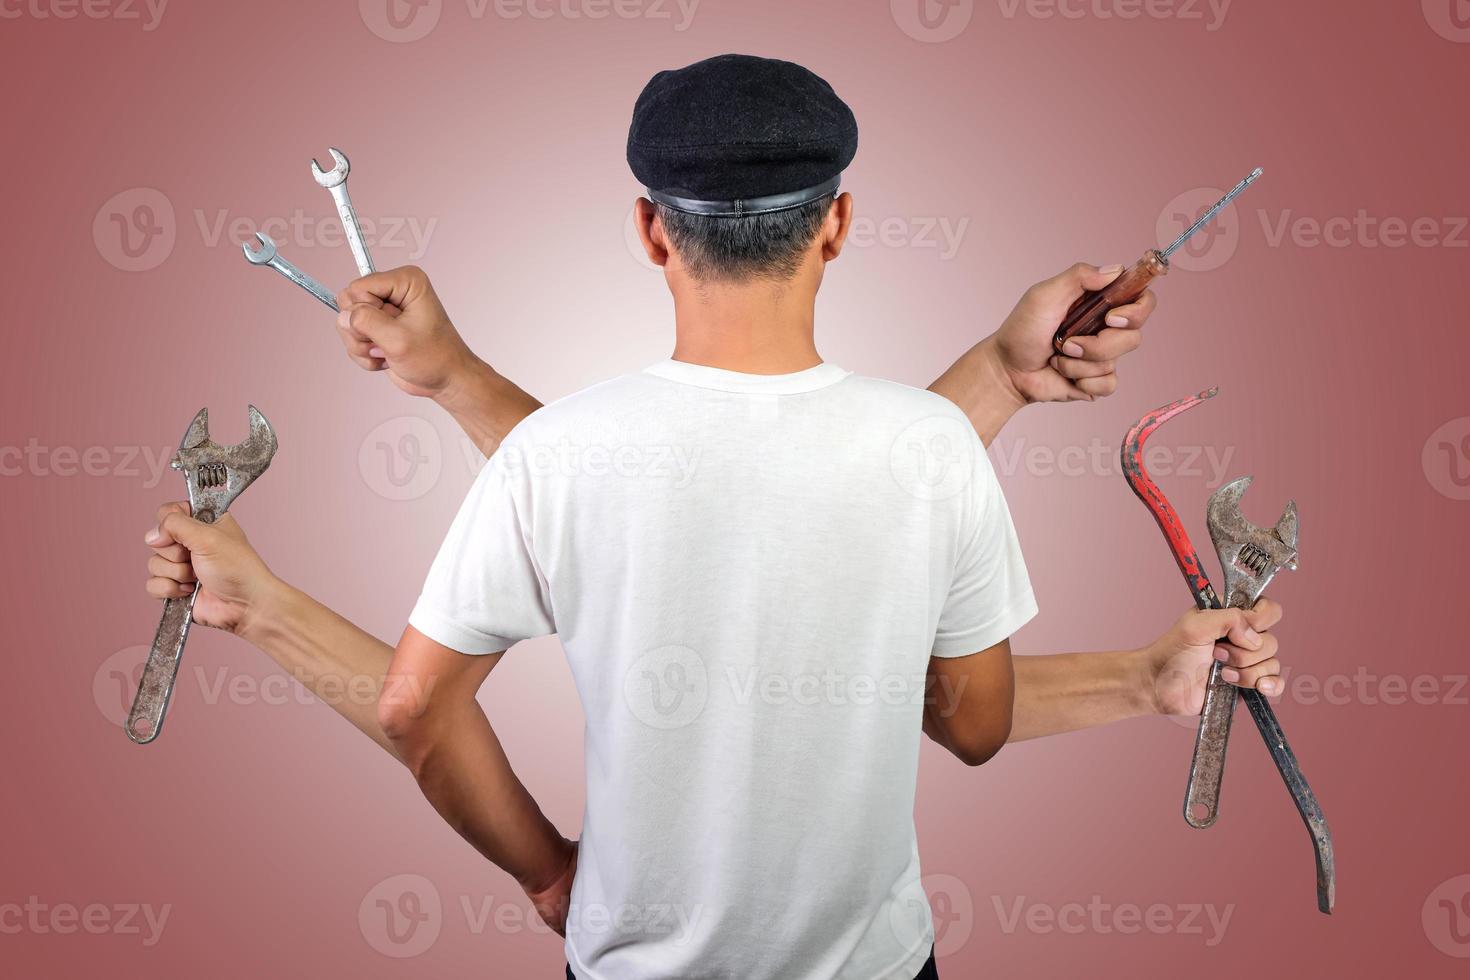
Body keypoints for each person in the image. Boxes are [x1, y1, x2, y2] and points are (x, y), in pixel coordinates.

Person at [142, 54, 1284, 980]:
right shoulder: (927, 450)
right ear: (836, 226)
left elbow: (416, 706)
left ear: (650, 230)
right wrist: (1140, 670)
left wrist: (550, 876)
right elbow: (960, 714)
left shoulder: (560, 456)